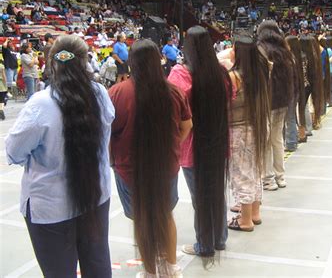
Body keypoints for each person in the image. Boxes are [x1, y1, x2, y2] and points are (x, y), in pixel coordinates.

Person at [5, 35, 115, 277]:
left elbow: (14, 151)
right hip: (96, 196)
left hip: (52, 208)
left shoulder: (41, 104)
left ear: (52, 64)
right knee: (97, 264)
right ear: (86, 62)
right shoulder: (100, 93)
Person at [108, 39, 192, 278]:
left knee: (141, 219)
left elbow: (107, 133)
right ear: (159, 60)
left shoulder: (117, 93)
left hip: (128, 169)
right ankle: (172, 267)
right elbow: (187, 126)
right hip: (166, 166)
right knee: (165, 214)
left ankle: (150, 270)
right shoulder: (173, 92)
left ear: (131, 62)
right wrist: (173, 145)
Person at [168, 26, 231, 259]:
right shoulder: (221, 74)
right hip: (218, 140)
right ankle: (219, 238)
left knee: (200, 196)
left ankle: (204, 244)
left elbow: (172, 103)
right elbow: (230, 97)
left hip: (191, 146)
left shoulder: (179, 74)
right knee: (216, 190)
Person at [228, 33, 271, 232]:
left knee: (241, 173)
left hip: (239, 130)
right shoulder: (260, 72)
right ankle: (254, 212)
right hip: (258, 126)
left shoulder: (234, 76)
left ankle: (244, 220)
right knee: (255, 170)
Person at [257, 20, 294, 190]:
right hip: (282, 101)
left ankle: (268, 179)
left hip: (266, 101)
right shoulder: (284, 50)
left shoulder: (260, 49)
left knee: (265, 141)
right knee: (277, 139)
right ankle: (281, 176)